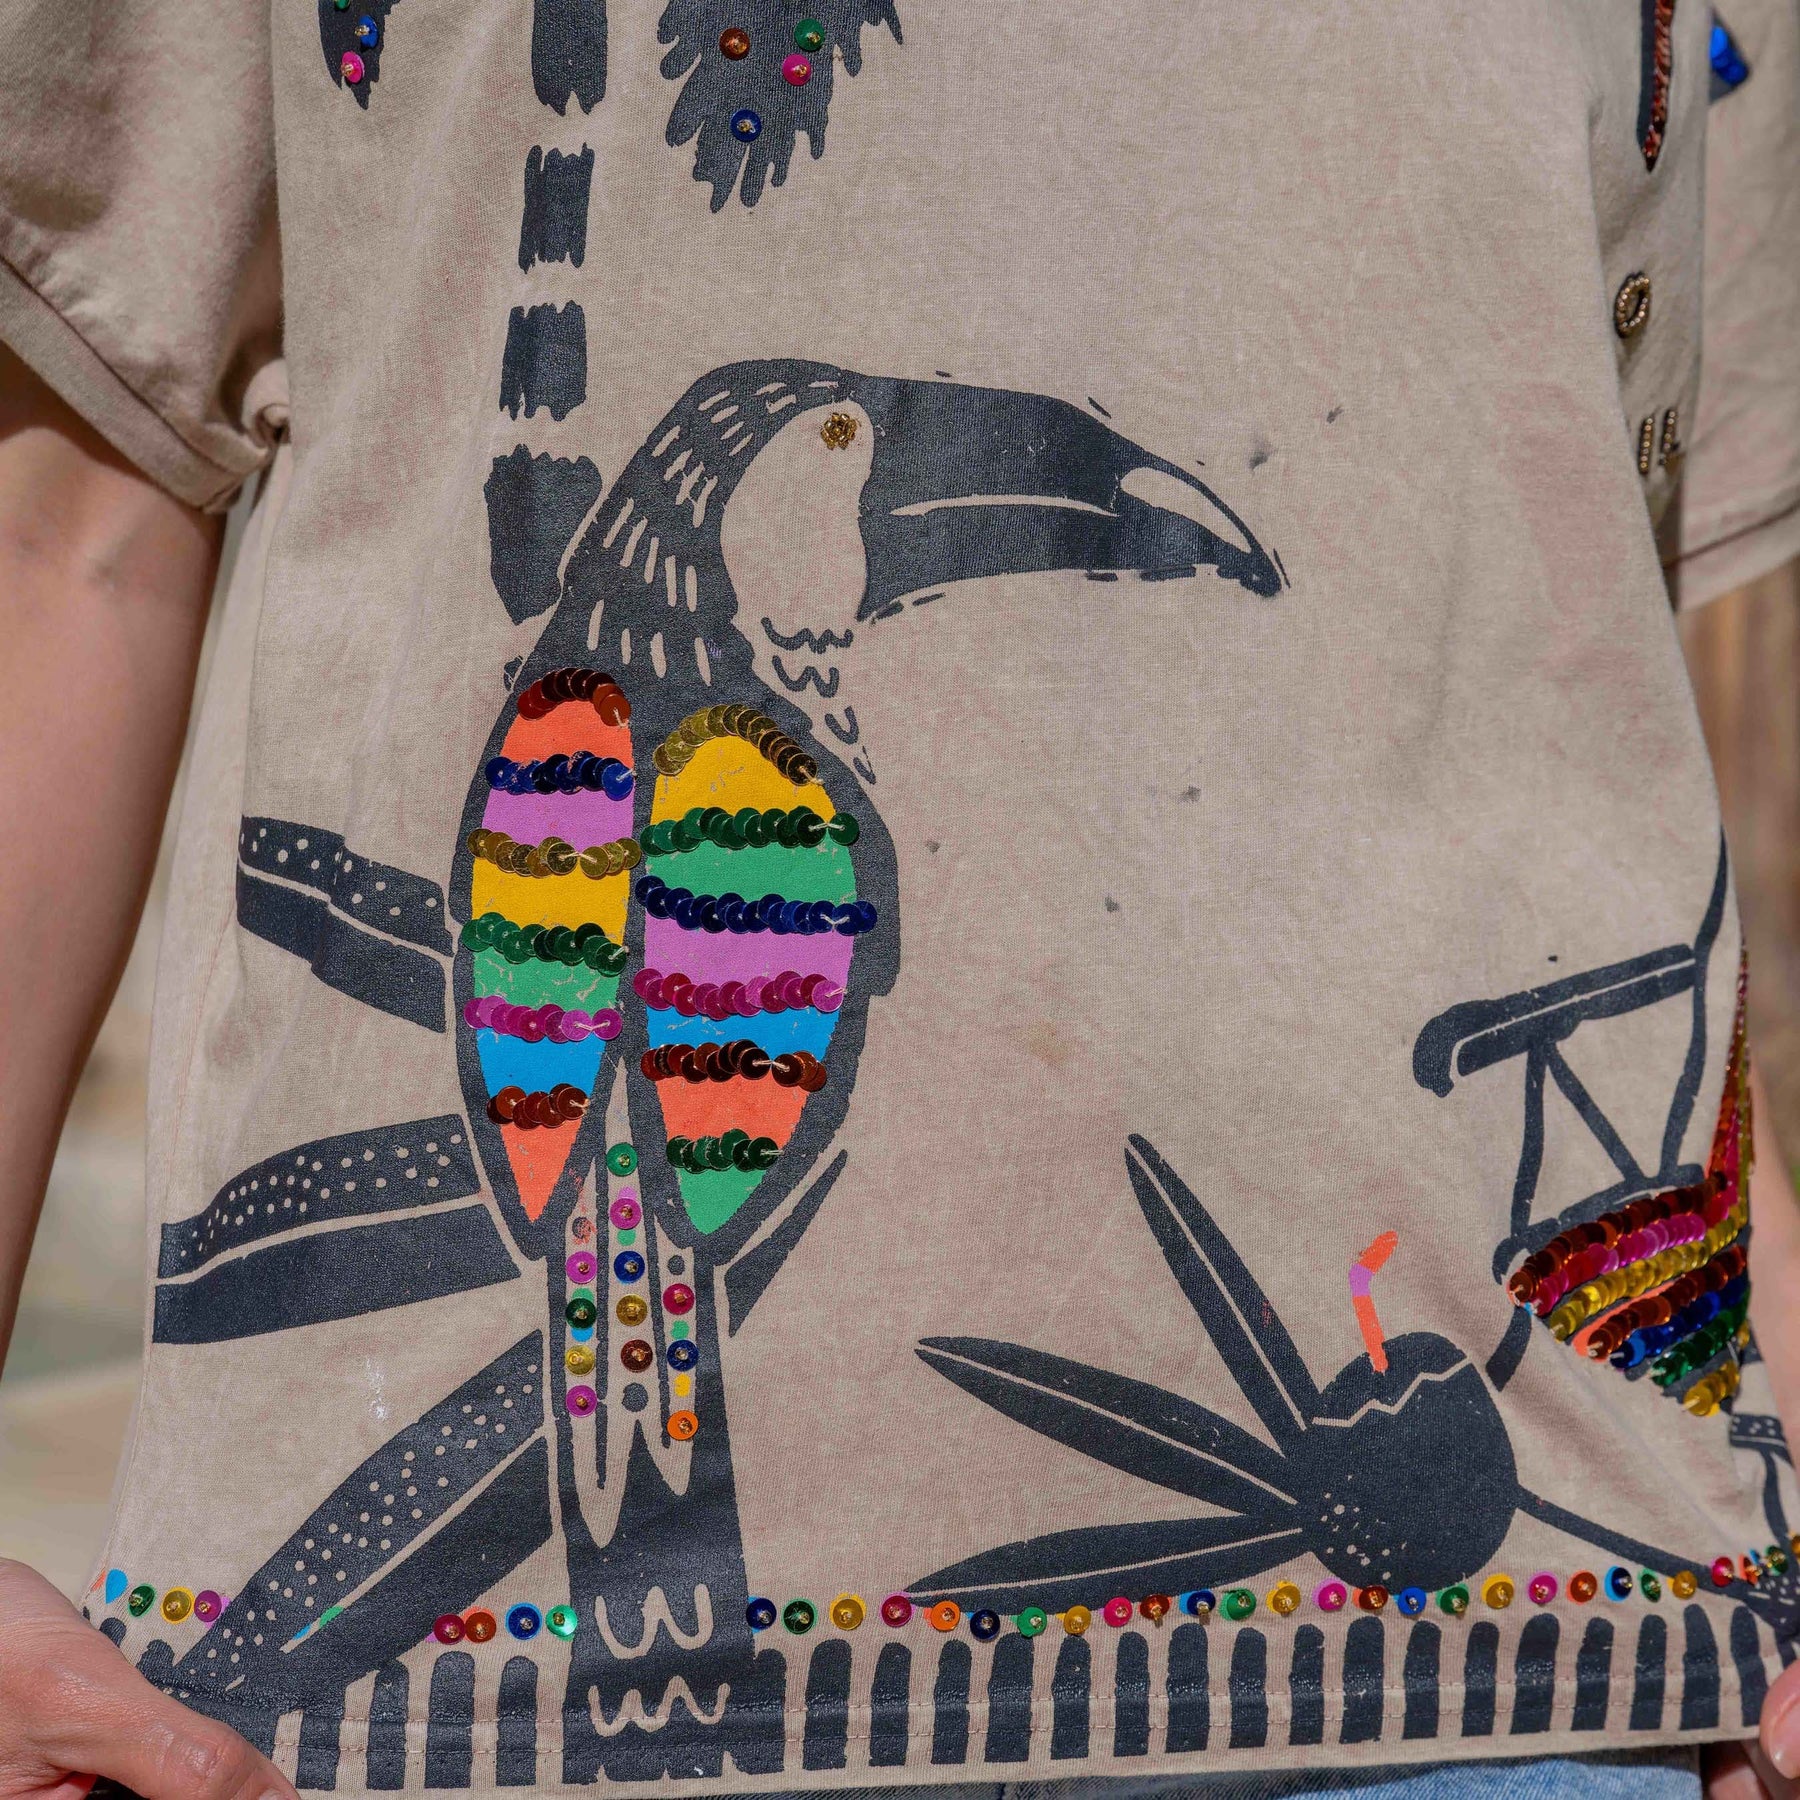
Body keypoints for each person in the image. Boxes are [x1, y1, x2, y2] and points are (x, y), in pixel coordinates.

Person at [2, 0, 1799, 1795]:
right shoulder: (691, 759)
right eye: (847, 460)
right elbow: (76, 534)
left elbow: (1604, 697)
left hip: (1523, 1650)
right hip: (463, 1706)